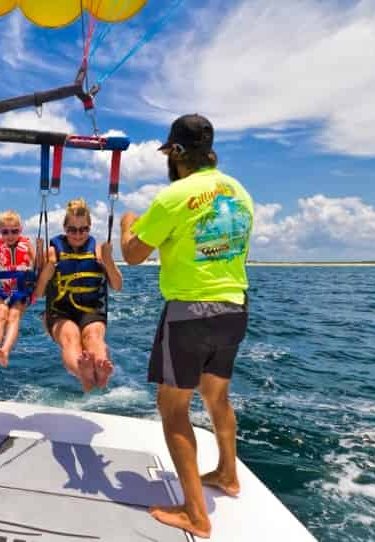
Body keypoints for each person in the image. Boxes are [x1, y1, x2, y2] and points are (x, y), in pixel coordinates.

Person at [120, 114, 254, 539]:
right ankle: (228, 474)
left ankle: (196, 514)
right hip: (235, 307)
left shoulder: (174, 196)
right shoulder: (241, 192)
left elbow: (135, 255)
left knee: (173, 410)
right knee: (217, 395)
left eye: (169, 153)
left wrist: (128, 226)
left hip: (189, 314)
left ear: (175, 152)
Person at [33, 198, 123, 392]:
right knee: (71, 337)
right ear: (65, 228)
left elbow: (117, 285)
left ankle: (101, 367)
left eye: (83, 229)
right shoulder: (53, 251)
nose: (78, 235)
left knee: (93, 337)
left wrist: (108, 261)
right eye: (72, 229)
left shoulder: (98, 251)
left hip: (91, 309)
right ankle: (82, 372)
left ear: (89, 228)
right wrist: (47, 270)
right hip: (59, 312)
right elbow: (38, 294)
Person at [0, 210, 43, 367]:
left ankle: (5, 351)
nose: (10, 235)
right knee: (1, 315)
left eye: (14, 231)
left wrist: (39, 250)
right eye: (5, 232)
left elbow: (37, 266)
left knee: (14, 315)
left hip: (22, 288)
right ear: (0, 232)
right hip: (3, 287)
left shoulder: (26, 244)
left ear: (20, 230)